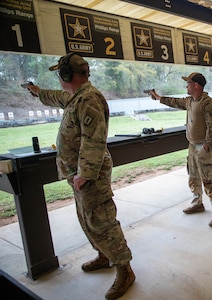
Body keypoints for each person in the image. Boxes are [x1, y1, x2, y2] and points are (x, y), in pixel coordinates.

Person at [25, 52, 134, 300]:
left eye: (60, 74)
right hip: (79, 175)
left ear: (67, 75)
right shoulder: (77, 97)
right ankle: (104, 255)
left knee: (103, 223)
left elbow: (94, 140)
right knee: (87, 220)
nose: (60, 79)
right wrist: (38, 92)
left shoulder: (89, 100)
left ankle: (124, 270)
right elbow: (58, 97)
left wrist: (84, 174)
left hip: (89, 176)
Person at [148, 72, 212, 227]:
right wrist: (158, 97)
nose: (186, 86)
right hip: (192, 146)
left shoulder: (207, 103)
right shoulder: (190, 101)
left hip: (203, 148)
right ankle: (197, 203)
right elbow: (174, 102)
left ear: (196, 85)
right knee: (193, 177)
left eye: (188, 83)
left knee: (209, 180)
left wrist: (207, 144)